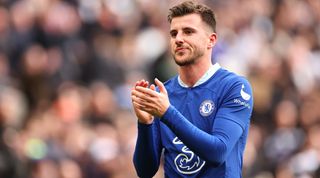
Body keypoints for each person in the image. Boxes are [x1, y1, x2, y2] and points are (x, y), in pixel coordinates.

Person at [131, 1, 254, 177]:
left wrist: (167, 113)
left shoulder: (234, 87)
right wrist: (145, 124)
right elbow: (145, 171)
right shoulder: (163, 95)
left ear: (211, 40)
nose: (179, 39)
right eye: (174, 33)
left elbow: (218, 151)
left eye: (188, 31)